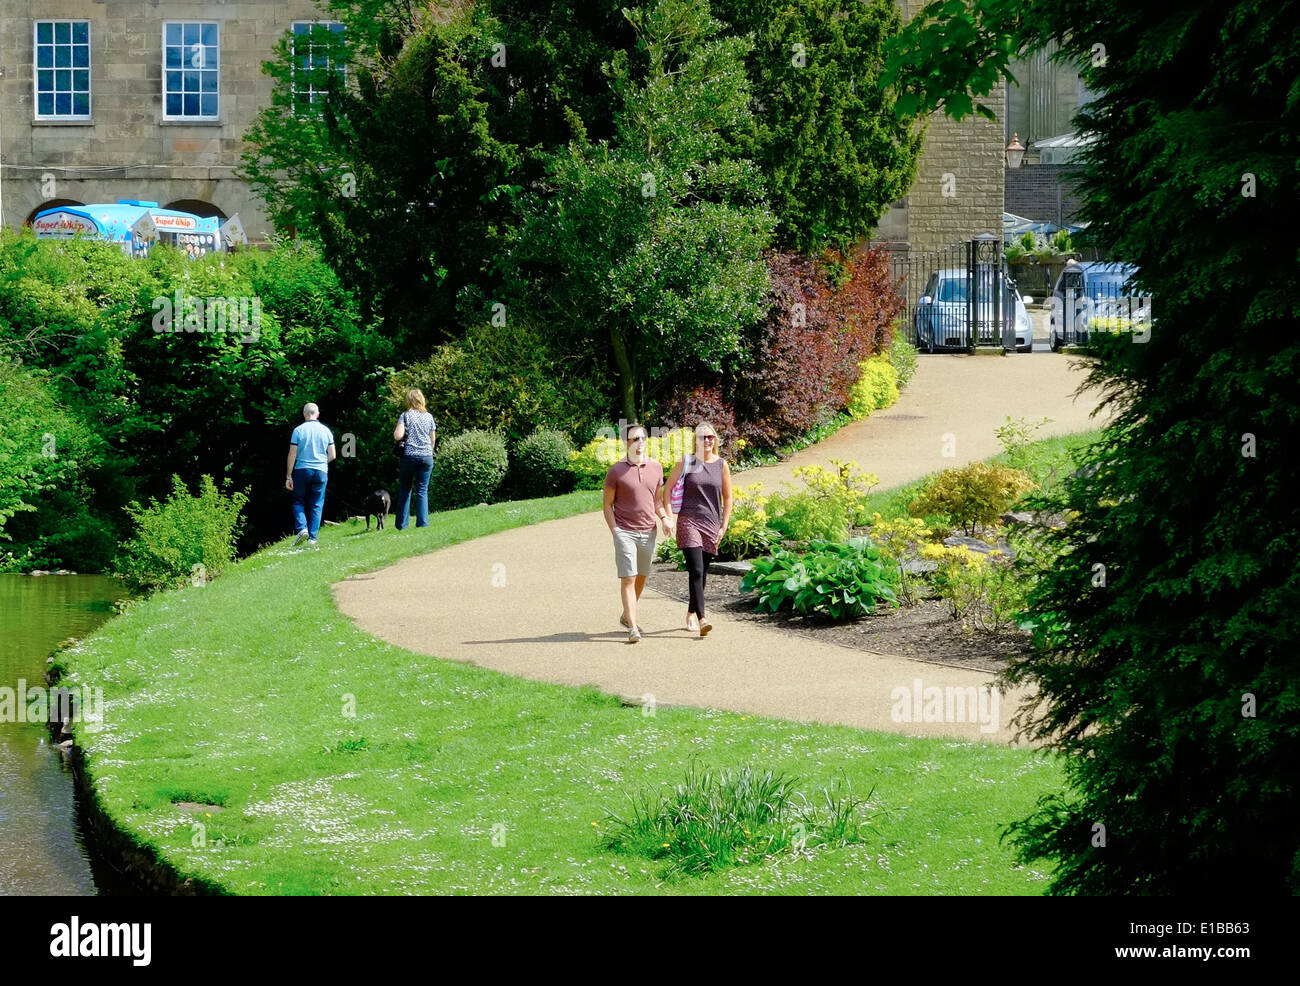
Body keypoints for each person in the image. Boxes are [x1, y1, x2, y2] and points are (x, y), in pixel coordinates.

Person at [663, 422, 732, 637]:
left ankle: (691, 613)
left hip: (711, 524)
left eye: (710, 437)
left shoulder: (722, 465)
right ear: (696, 441)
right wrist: (668, 518)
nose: (707, 440)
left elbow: (728, 498)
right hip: (688, 521)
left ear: (715, 439)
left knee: (702, 573)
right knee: (696, 570)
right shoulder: (686, 461)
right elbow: (666, 491)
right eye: (703, 437)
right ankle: (703, 619)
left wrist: (723, 526)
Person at [603, 423, 670, 643]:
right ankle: (633, 627)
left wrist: (665, 518)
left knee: (641, 576)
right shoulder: (616, 471)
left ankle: (625, 616)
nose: (640, 443)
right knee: (629, 578)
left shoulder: (656, 467)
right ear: (626, 442)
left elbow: (657, 501)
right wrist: (615, 531)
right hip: (625, 531)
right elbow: (607, 505)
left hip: (648, 531)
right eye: (635, 439)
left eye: (643, 438)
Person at [286, 402, 337, 549]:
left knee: (298, 501)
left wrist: (288, 476)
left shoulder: (298, 430)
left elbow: (292, 453)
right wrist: (322, 462)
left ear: (304, 414)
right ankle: (313, 538)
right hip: (321, 470)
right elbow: (333, 455)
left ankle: (302, 528)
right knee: (317, 503)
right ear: (318, 414)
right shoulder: (326, 431)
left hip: (302, 470)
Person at [393, 388, 437, 529]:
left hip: (409, 456)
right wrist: (428, 451)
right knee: (422, 490)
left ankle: (402, 525)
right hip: (426, 456)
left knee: (405, 488)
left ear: (409, 401)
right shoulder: (429, 416)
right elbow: (433, 439)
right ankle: (423, 523)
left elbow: (398, 436)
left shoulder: (405, 416)